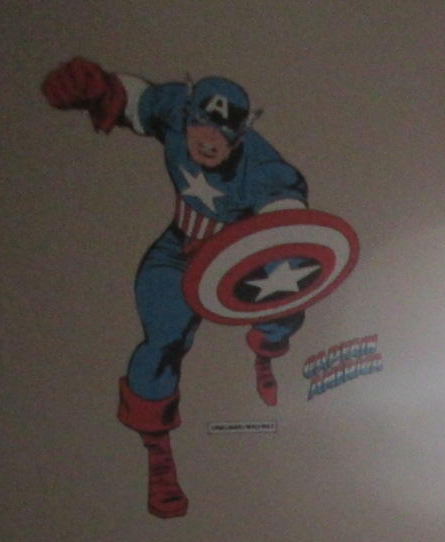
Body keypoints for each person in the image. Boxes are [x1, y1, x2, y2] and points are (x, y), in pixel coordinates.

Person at [42, 58, 311, 517]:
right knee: (162, 340)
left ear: (240, 137)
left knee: (284, 300)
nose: (207, 140)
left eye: (222, 133)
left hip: (240, 256)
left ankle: (265, 353)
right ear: (187, 117)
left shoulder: (263, 166)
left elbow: (287, 227)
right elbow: (137, 101)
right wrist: (101, 90)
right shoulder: (173, 109)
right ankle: (158, 455)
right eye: (201, 126)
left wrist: (251, 255)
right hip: (180, 248)